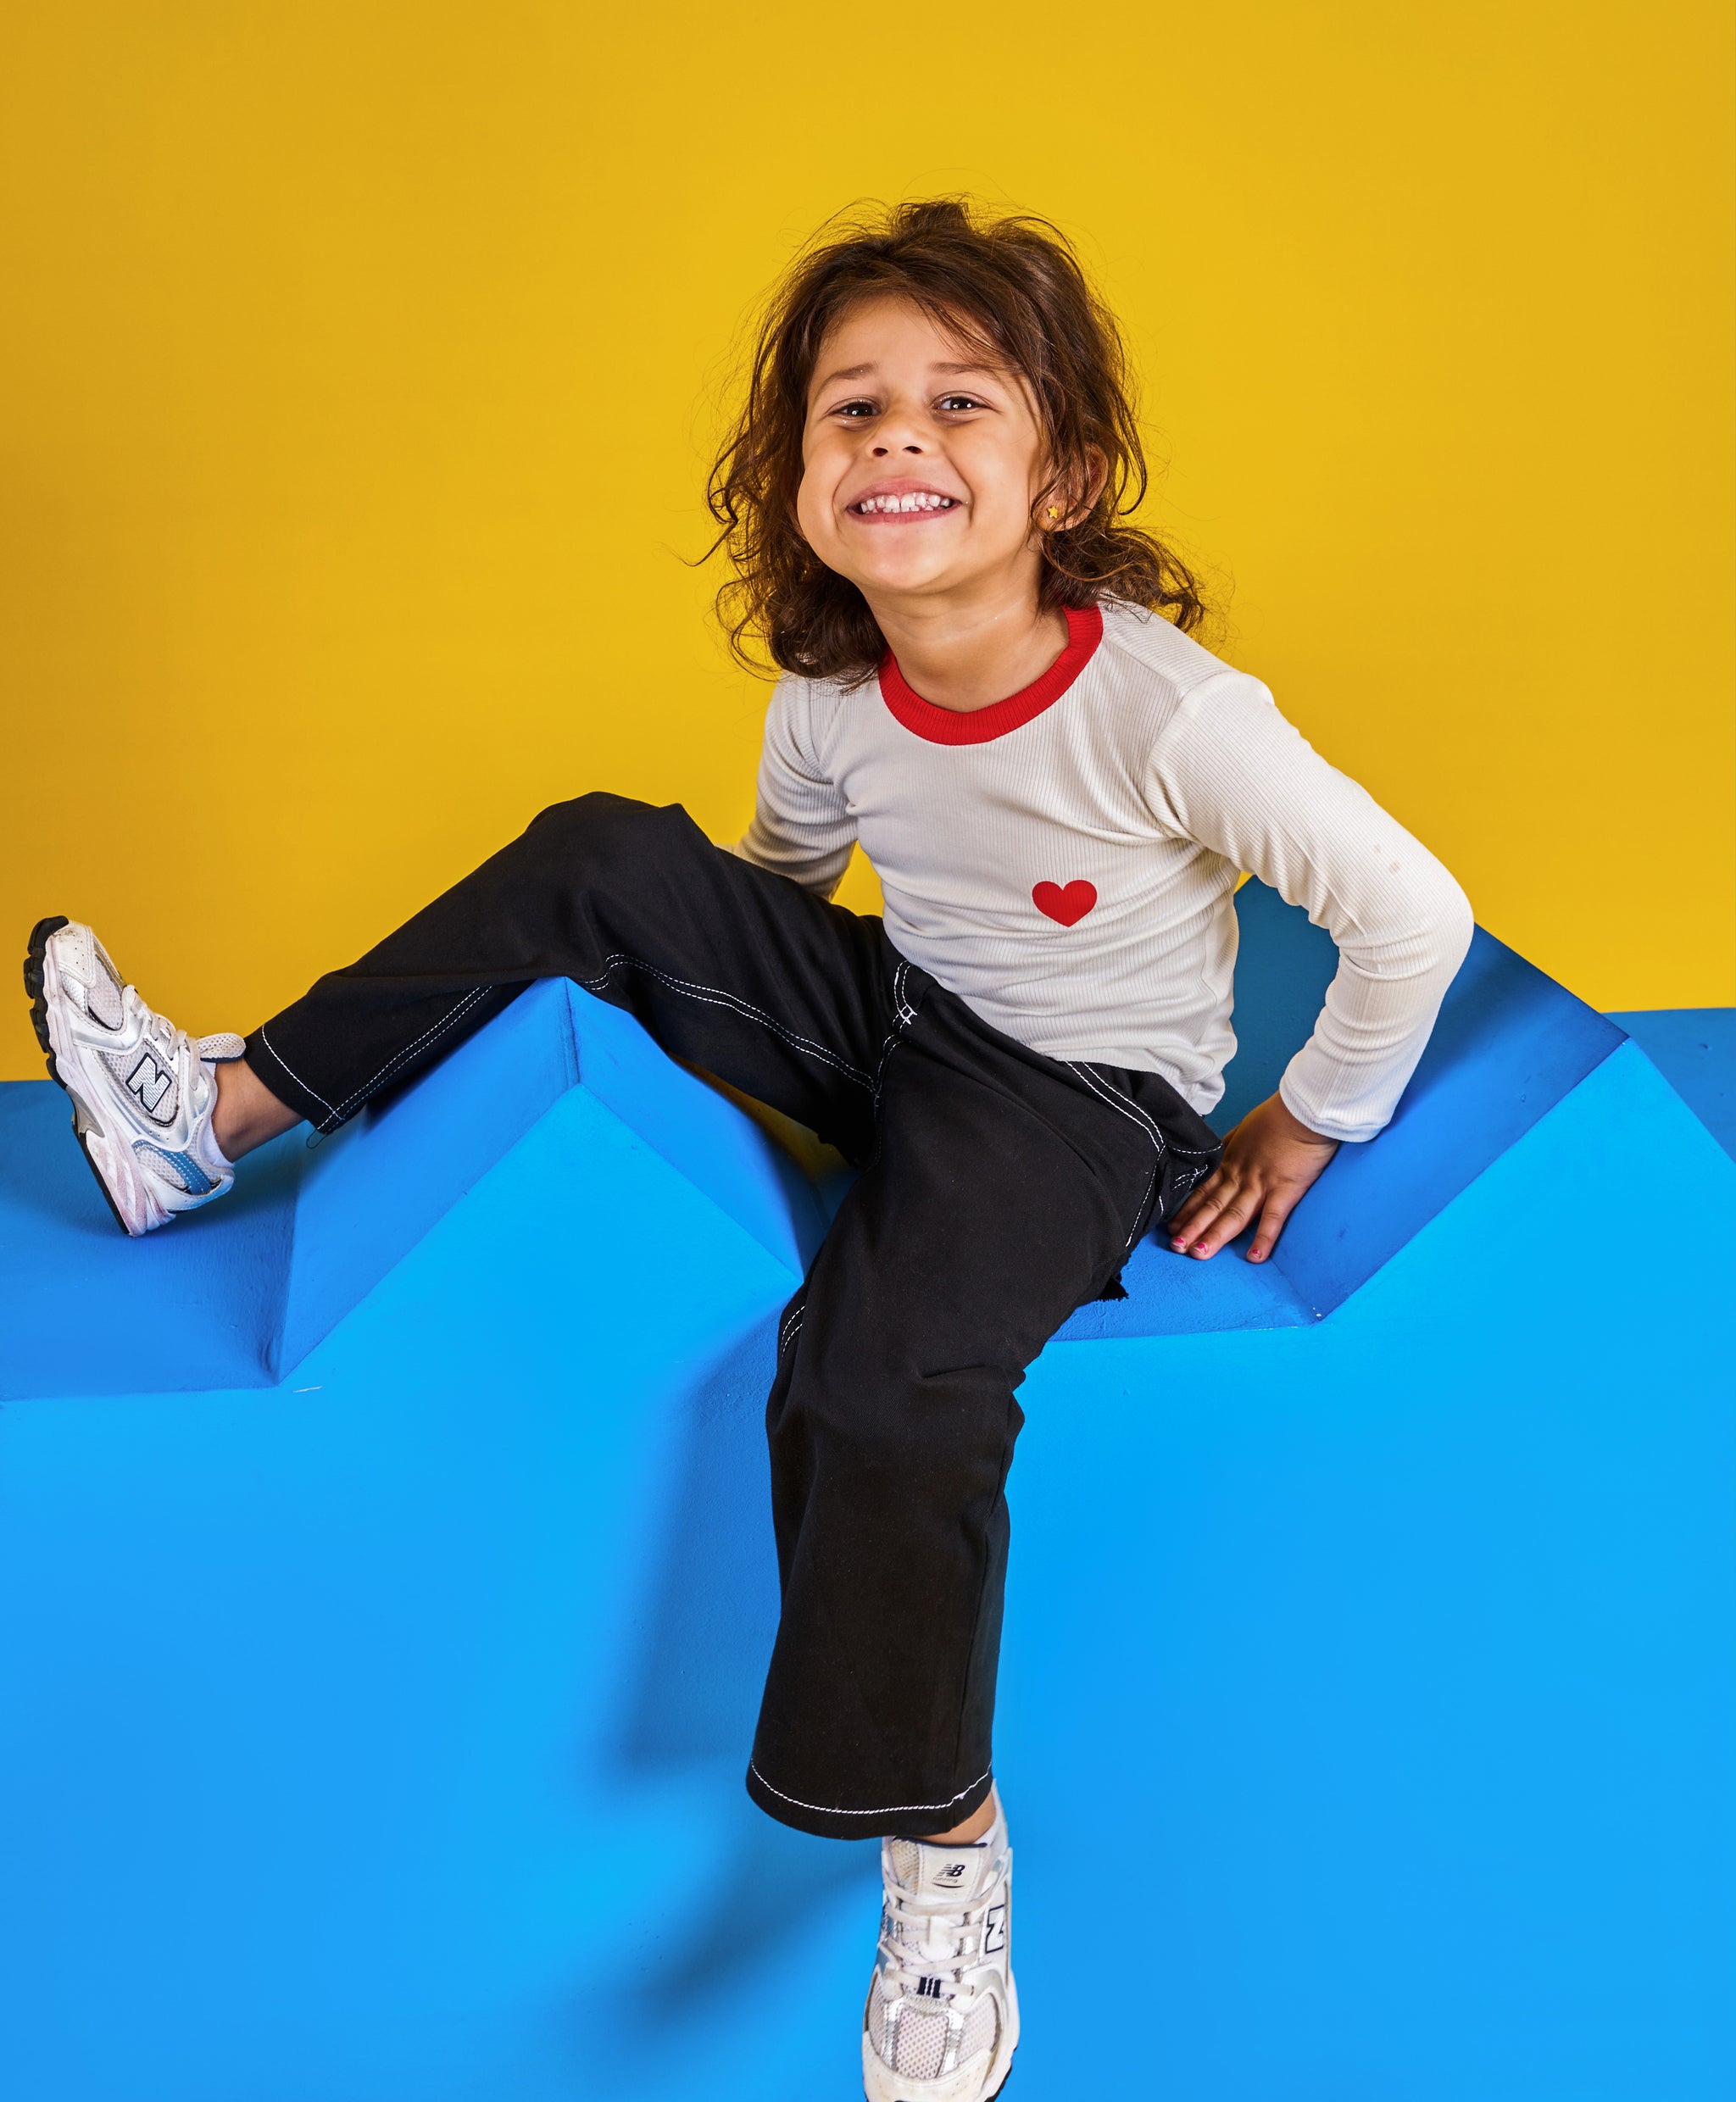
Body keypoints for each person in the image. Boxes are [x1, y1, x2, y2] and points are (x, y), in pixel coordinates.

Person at [23, 198, 1473, 2102]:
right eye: (851, 409)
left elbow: (1409, 915)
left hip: (1075, 1100)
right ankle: (209, 1121)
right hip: (900, 1020)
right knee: (604, 853)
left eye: (960, 402)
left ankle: (945, 1841)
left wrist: (1311, 1114)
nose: (896, 439)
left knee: (876, 1375)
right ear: (795, 478)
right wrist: (675, 1004)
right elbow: (770, 900)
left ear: (1065, 476)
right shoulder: (833, 694)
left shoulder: (1167, 714)